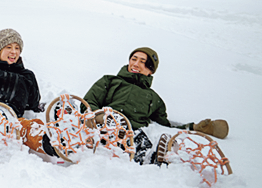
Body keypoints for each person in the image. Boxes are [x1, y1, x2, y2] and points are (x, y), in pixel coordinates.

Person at [82, 47, 229, 164]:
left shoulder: (154, 98)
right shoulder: (109, 81)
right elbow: (89, 102)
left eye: (142, 62)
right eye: (133, 59)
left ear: (150, 69)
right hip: (102, 126)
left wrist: (194, 127)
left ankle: (160, 157)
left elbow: (164, 125)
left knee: (143, 142)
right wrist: (99, 116)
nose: (135, 64)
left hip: (131, 135)